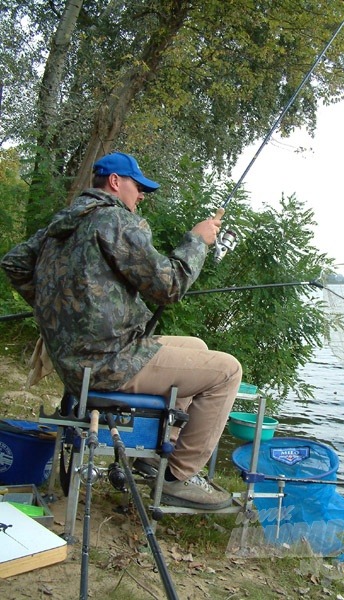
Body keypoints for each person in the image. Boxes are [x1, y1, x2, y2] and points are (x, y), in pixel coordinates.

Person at [1, 151, 242, 510]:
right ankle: (178, 476)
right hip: (106, 362)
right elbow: (169, 286)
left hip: (75, 359)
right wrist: (196, 240)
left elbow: (15, 262)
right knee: (227, 370)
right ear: (115, 182)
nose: (142, 194)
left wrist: (59, 311)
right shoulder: (115, 221)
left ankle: (160, 451)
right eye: (138, 186)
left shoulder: (62, 223)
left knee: (197, 345)